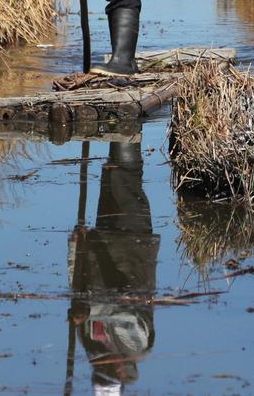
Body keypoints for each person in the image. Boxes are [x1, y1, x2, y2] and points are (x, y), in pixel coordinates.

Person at [67, 142, 159, 394]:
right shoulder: (138, 345)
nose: (103, 367)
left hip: (102, 247)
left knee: (112, 175)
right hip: (133, 248)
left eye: (101, 372)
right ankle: (126, 131)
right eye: (107, 373)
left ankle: (122, 130)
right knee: (124, 177)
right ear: (122, 371)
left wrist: (76, 248)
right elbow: (125, 310)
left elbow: (77, 291)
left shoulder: (89, 343)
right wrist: (90, 310)